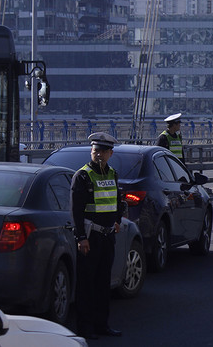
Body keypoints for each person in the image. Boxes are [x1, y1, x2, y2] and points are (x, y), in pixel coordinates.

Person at [70, 132, 123, 339]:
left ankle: (102, 325)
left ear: (110, 153)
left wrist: (117, 219)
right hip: (90, 237)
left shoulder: (112, 174)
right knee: (86, 285)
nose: (98, 154)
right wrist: (80, 237)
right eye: (95, 150)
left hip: (108, 236)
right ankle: (85, 328)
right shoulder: (82, 176)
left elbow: (116, 200)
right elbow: (75, 211)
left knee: (103, 283)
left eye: (102, 151)